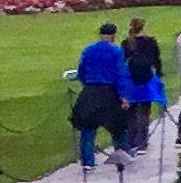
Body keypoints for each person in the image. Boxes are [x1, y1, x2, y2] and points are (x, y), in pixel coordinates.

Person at [68, 23, 128, 172]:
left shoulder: (88, 50)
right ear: (113, 35)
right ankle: (121, 157)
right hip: (110, 92)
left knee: (88, 127)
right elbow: (120, 74)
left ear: (100, 35)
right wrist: (124, 96)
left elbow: (81, 72)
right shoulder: (117, 51)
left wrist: (87, 85)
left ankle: (87, 161)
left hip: (91, 91)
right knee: (118, 127)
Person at [119, 20, 168, 159]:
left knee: (131, 113)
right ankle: (142, 142)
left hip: (131, 80)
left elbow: (122, 62)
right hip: (147, 79)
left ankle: (131, 141)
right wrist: (159, 74)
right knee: (144, 111)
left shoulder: (126, 43)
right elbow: (156, 60)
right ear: (143, 27)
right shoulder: (150, 42)